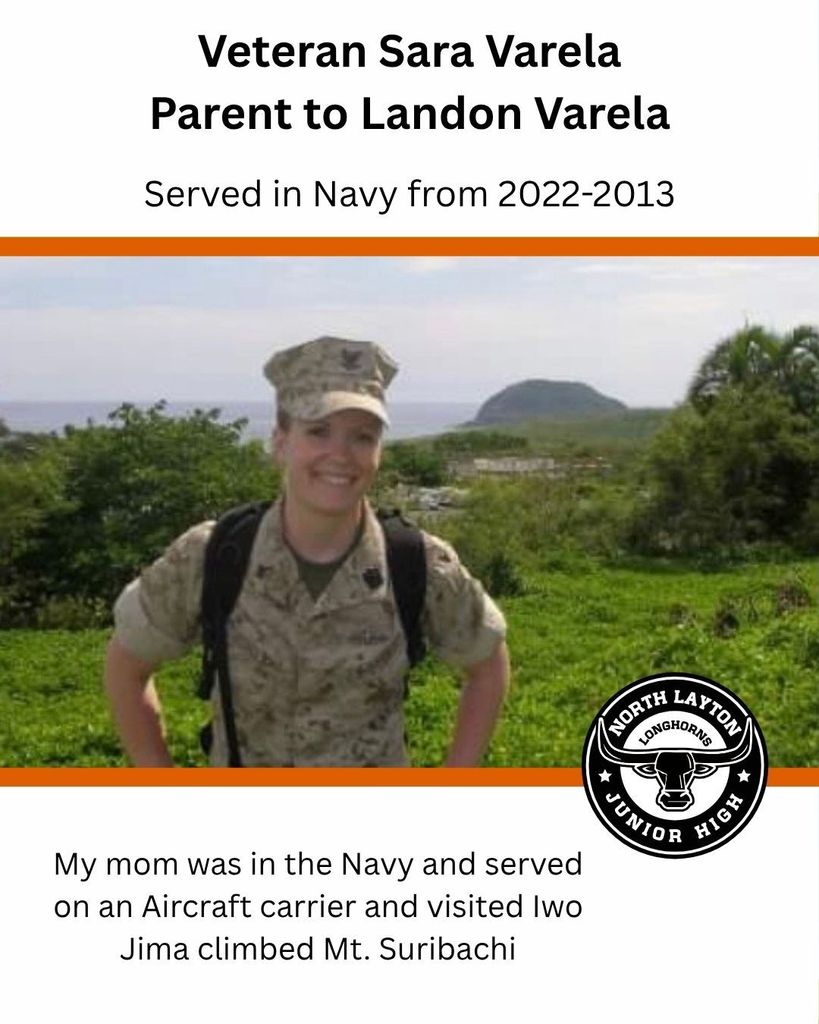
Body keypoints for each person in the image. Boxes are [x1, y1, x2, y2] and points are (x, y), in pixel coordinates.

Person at [105, 336, 509, 767]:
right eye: (318, 431)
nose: (341, 454)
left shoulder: (415, 562)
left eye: (363, 436)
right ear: (280, 441)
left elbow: (488, 666)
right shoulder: (213, 554)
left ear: (378, 452)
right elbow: (126, 669)